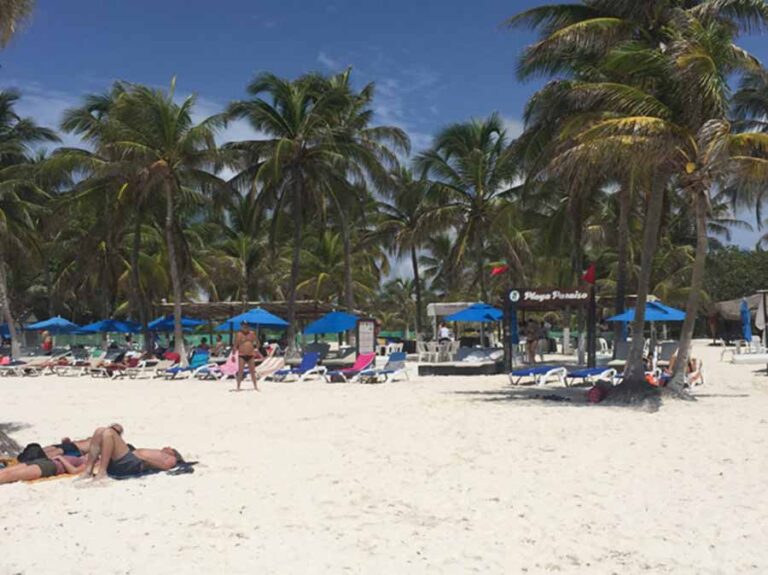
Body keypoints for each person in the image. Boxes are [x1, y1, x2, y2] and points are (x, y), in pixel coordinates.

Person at [80, 426, 183, 481]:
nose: (168, 447)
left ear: (173, 453)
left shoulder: (171, 458)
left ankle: (102, 472)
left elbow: (165, 467)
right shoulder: (158, 451)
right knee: (100, 431)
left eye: (171, 448)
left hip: (134, 463)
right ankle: (88, 471)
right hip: (130, 458)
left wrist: (144, 458)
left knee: (109, 433)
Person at [0, 454, 86, 485]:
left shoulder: (90, 463)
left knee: (11, 475)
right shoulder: (86, 456)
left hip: (51, 467)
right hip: (46, 461)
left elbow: (74, 471)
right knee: (7, 471)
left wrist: (61, 458)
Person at [235, 321, 262, 391]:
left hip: (250, 355)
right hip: (241, 355)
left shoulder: (252, 333)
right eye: (244, 325)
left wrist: (257, 349)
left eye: (246, 325)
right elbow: (235, 345)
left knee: (252, 371)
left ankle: (255, 386)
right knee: (240, 371)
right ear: (241, 326)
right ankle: (238, 387)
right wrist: (232, 355)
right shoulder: (239, 334)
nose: (245, 327)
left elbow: (258, 342)